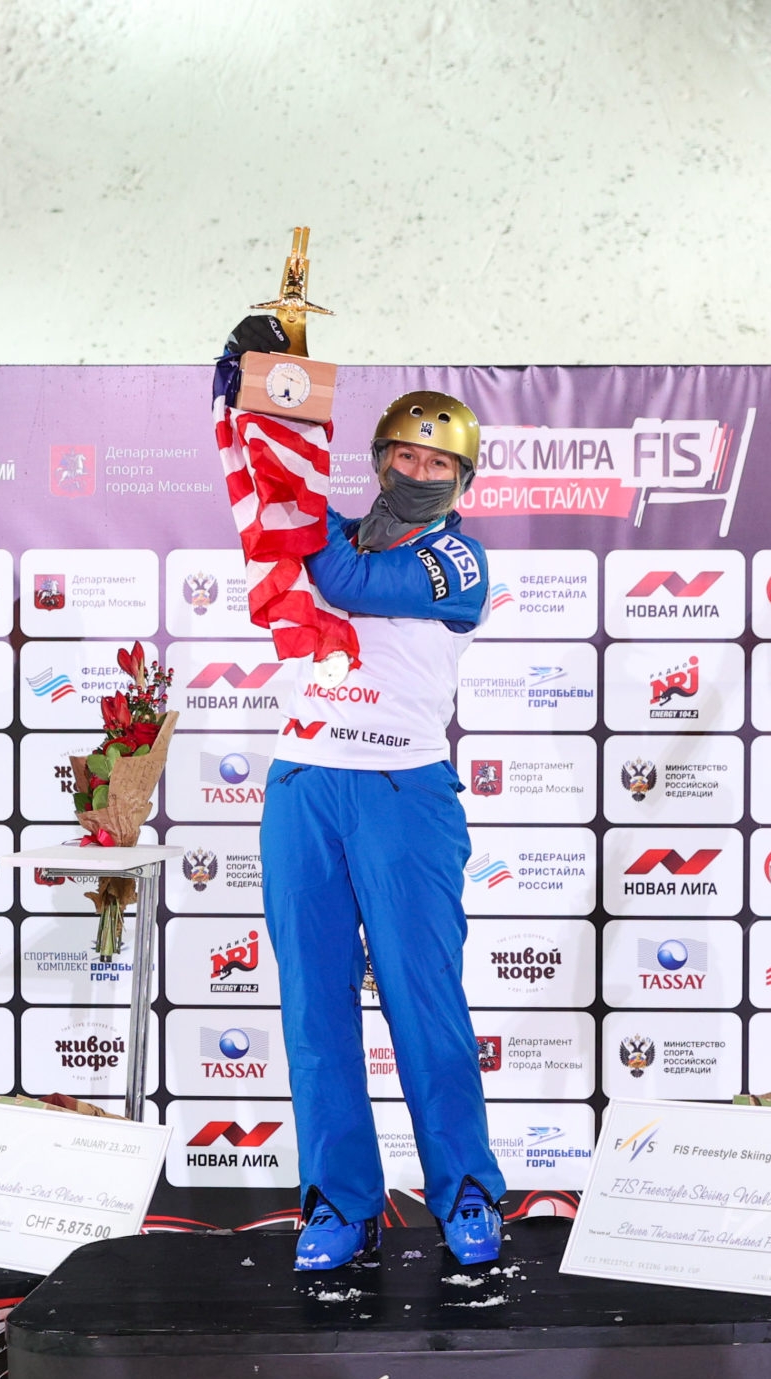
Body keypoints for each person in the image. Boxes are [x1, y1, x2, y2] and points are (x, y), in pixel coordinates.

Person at [214, 315, 505, 1272]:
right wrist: (253, 395)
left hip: (399, 789)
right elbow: (268, 502)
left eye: (439, 462)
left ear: (462, 480)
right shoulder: (326, 531)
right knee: (313, 1006)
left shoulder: (458, 562)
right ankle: (340, 1202)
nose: (419, 472)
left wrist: (291, 488)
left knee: (424, 999)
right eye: (404, 456)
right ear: (379, 461)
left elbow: (334, 572)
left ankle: (464, 1189)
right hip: (304, 784)